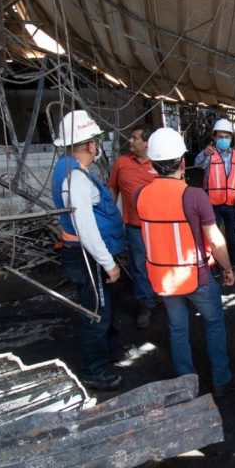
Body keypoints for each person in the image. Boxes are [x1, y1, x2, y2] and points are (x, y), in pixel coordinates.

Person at [135, 127, 235, 398]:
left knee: (177, 327)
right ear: (182, 162)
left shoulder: (140, 196)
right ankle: (221, 380)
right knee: (214, 324)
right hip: (197, 277)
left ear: (153, 163)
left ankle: (186, 383)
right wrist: (228, 269)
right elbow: (216, 241)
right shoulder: (194, 196)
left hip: (163, 278)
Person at [51, 110, 127, 392]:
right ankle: (94, 371)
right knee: (96, 312)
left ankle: (107, 353)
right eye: (95, 140)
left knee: (101, 307)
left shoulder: (69, 168)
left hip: (84, 253)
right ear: (90, 145)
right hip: (87, 255)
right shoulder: (76, 179)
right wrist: (108, 263)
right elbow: (86, 227)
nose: (96, 145)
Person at [108, 125, 158, 329]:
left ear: (146, 143)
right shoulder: (122, 162)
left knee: (160, 262)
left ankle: (162, 294)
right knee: (139, 266)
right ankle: (145, 304)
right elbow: (112, 189)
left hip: (158, 226)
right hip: (135, 227)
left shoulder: (160, 161)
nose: (130, 141)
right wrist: (111, 217)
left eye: (135, 138)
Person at [194, 118, 235, 282]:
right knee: (212, 239)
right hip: (213, 204)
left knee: (232, 238)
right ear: (215, 137)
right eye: (220, 136)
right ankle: (214, 268)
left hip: (232, 204)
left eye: (227, 136)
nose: (224, 139)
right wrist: (204, 153)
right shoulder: (209, 155)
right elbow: (197, 165)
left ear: (231, 138)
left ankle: (233, 267)